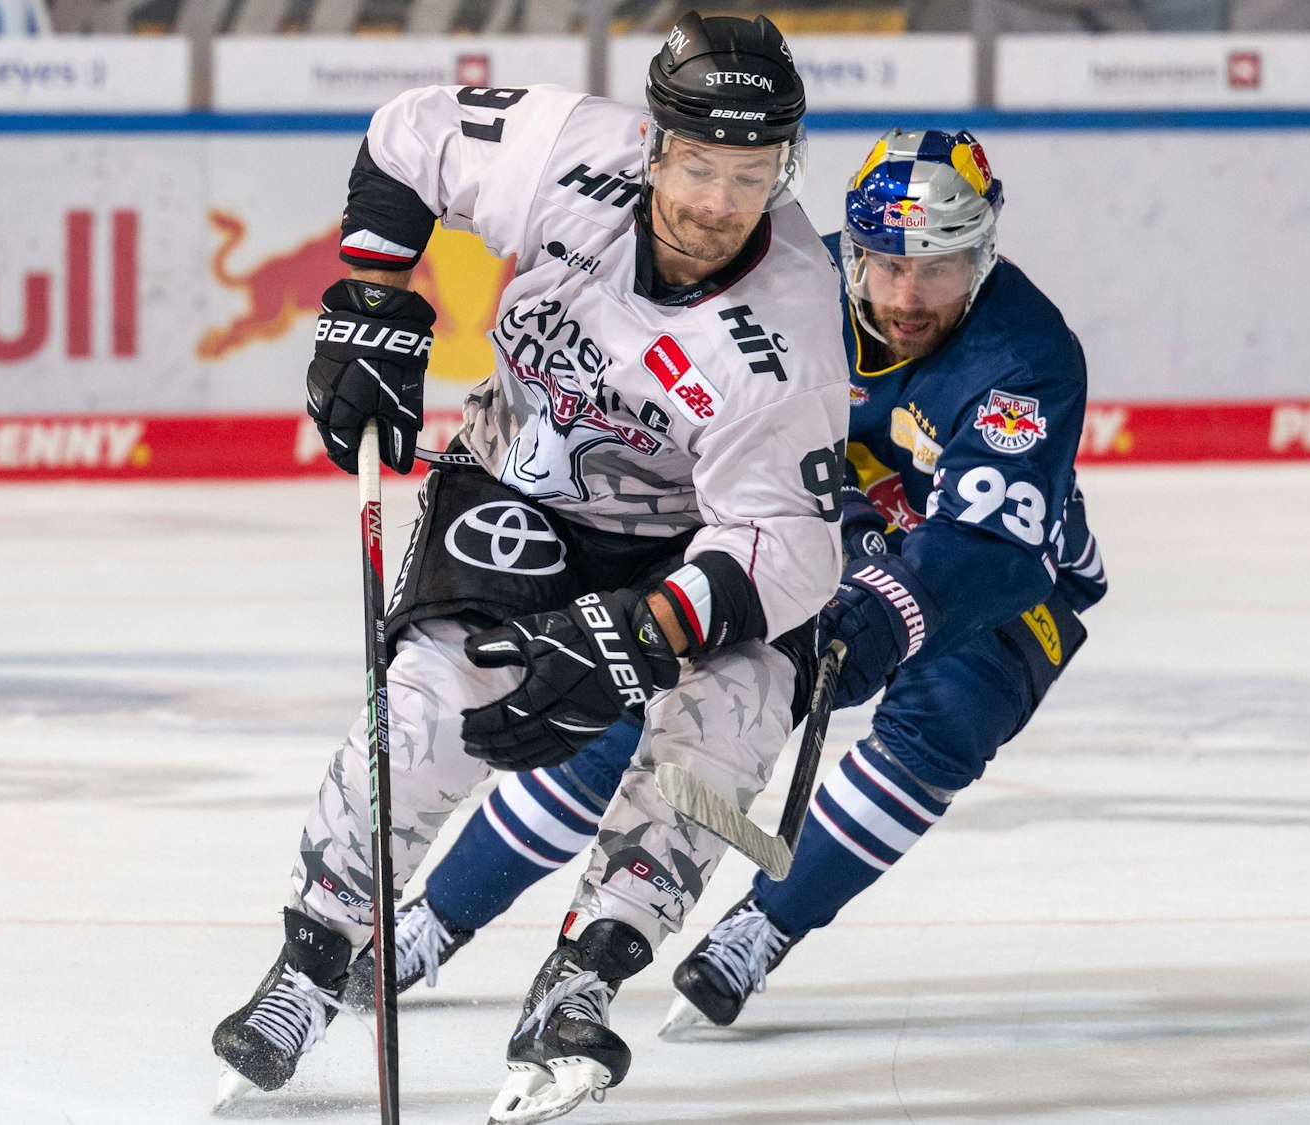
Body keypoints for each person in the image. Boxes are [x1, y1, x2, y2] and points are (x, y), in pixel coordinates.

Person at [210, 13, 849, 1123]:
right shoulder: (570, 148)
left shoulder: (785, 334)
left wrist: (641, 635)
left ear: (782, 169)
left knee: (731, 727)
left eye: (751, 177)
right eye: (699, 166)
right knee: (427, 711)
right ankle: (310, 967)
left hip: (680, 551)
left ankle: (584, 977)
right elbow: (408, 136)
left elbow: (787, 547)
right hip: (515, 488)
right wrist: (372, 298)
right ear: (655, 144)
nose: (719, 203)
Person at [340, 129, 1107, 1039]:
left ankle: (765, 925)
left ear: (981, 255)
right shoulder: (789, 285)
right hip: (802, 540)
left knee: (946, 722)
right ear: (852, 249)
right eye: (887, 264)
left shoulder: (1025, 352)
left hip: (992, 577)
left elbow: (989, 547)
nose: (906, 298)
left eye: (937, 269)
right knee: (628, 699)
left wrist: (876, 616)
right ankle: (440, 915)